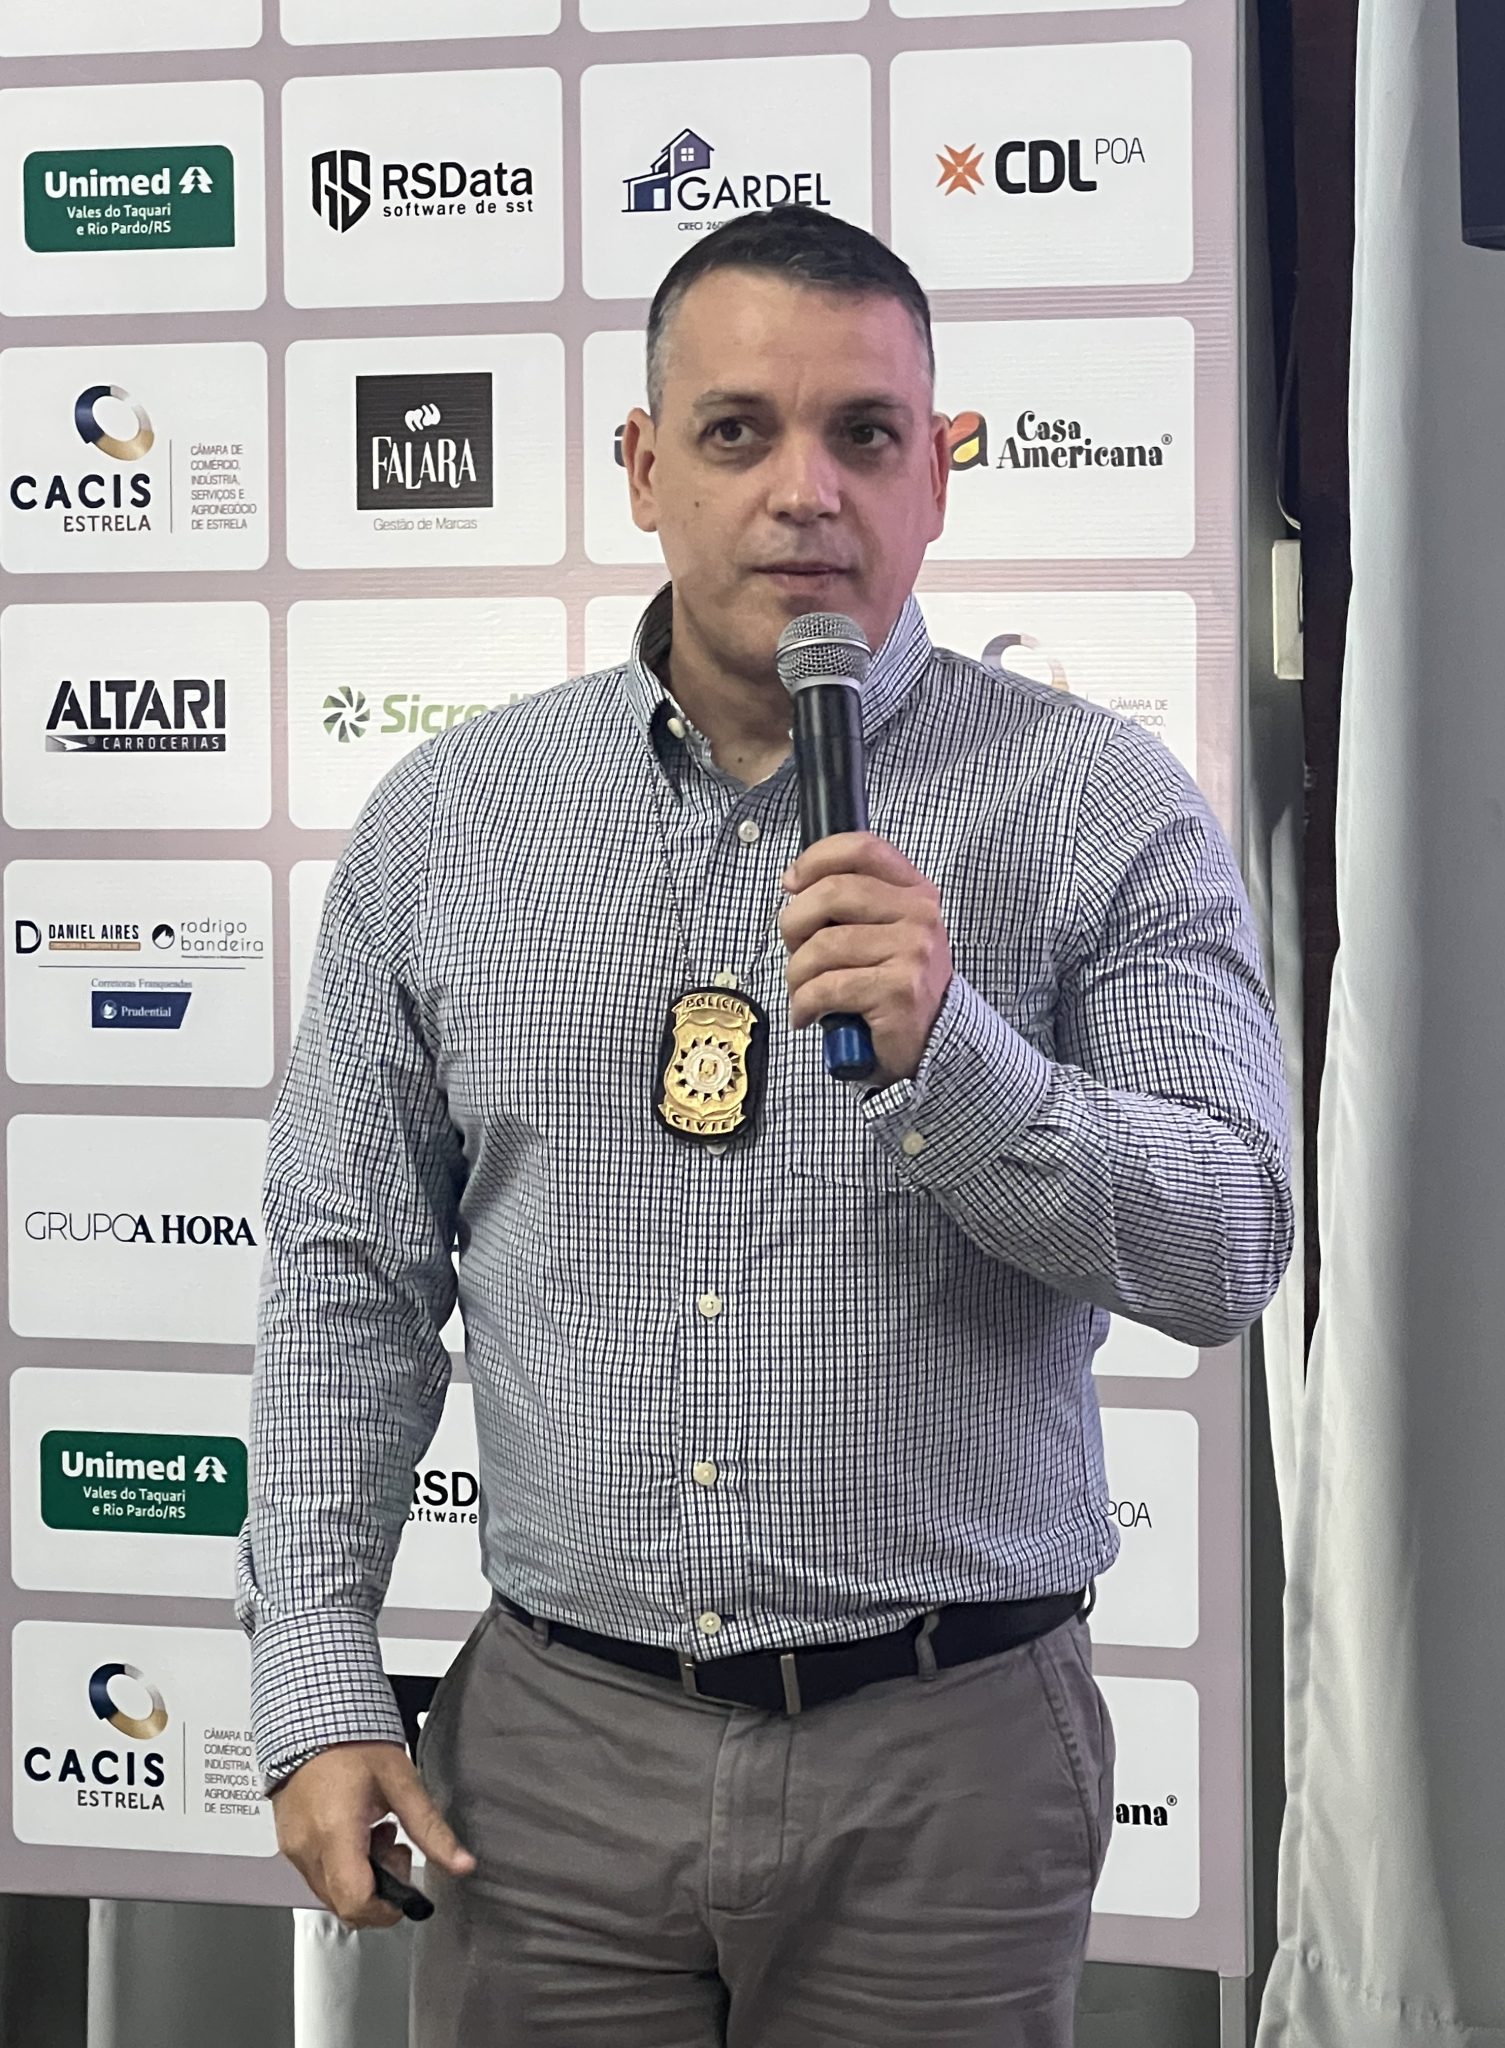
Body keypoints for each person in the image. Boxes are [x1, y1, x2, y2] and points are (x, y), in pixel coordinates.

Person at [238, 205, 1292, 2047]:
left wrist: (954, 1054)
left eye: (864, 434)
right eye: (738, 431)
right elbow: (349, 1277)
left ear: (937, 475)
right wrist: (317, 1676)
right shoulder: (450, 824)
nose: (806, 491)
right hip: (551, 1770)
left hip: (950, 1772)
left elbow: (1227, 1245)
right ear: (644, 468)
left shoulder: (1102, 805)